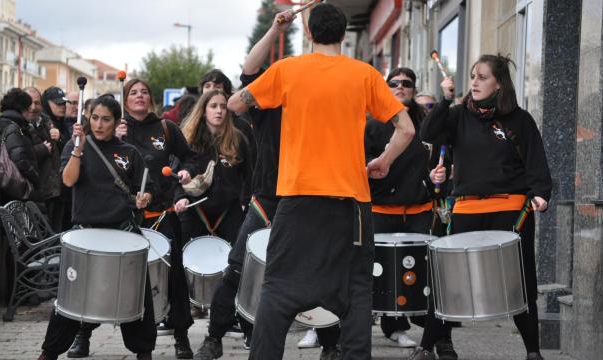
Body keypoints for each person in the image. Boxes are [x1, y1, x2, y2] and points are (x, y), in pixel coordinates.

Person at [228, 4, 415, 359]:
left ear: (310, 34)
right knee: (356, 294)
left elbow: (238, 102)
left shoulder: (287, 71)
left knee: (278, 291)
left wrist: (275, 34)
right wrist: (383, 162)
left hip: (298, 200)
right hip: (351, 204)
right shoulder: (365, 75)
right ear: (344, 35)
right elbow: (406, 129)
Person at [192, 16, 340, 360]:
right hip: (268, 200)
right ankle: (214, 339)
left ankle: (331, 345)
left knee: (315, 271)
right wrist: (275, 30)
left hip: (309, 199)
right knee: (237, 268)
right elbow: (248, 68)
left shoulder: (317, 104)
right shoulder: (267, 106)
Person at [413, 54, 552, 360]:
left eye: (482, 77)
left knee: (521, 279)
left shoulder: (519, 119)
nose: (474, 81)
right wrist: (445, 100)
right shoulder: (458, 115)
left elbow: (536, 162)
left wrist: (541, 193)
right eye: (473, 76)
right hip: (466, 208)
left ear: (499, 84)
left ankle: (533, 352)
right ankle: (426, 346)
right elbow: (427, 133)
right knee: (448, 280)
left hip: (512, 210)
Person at [66, 79, 198, 360]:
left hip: (159, 214)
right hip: (120, 219)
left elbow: (189, 158)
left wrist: (186, 173)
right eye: (133, 92)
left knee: (172, 277)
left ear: (150, 99)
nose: (139, 96)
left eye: (144, 92)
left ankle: (181, 336)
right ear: (124, 102)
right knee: (100, 275)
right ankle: (83, 333)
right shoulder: (115, 131)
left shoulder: (166, 128)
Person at [37, 94, 156, 360]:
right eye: (95, 118)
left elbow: (145, 190)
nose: (100, 124)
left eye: (106, 119)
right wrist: (78, 148)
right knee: (70, 296)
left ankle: (144, 351)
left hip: (122, 231)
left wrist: (144, 198)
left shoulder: (129, 152)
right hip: (86, 232)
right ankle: (50, 351)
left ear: (116, 122)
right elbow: (68, 181)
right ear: (88, 119)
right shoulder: (76, 145)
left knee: (138, 292)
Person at [364, 68, 458, 359]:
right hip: (381, 208)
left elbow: (440, 159)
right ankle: (390, 327)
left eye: (407, 84)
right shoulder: (372, 123)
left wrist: (437, 176)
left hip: (419, 209)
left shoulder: (423, 122)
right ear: (386, 87)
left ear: (414, 89)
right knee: (379, 275)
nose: (400, 87)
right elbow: (362, 163)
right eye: (394, 83)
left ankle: (440, 338)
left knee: (426, 277)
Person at [178, 89, 252, 247]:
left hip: (229, 212)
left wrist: (245, 202)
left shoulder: (238, 139)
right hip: (195, 210)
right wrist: (179, 198)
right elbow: (176, 174)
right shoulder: (187, 139)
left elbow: (250, 175)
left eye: (223, 107)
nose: (219, 110)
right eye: (213, 106)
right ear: (203, 111)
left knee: (230, 262)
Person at [0, 88, 42, 204]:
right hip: (19, 192)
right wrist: (35, 177)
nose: (31, 110)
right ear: (21, 108)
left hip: (12, 191)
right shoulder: (13, 128)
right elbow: (20, 160)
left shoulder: (7, 126)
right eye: (28, 107)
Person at [41, 86, 74, 232]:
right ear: (47, 103)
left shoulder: (63, 123)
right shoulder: (44, 123)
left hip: (64, 189)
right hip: (50, 192)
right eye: (58, 103)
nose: (62, 106)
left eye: (63, 103)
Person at [24, 87, 62, 208]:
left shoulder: (46, 123)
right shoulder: (15, 126)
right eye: (29, 102)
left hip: (54, 193)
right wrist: (42, 149)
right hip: (32, 196)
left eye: (37, 103)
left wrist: (59, 136)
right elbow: (17, 155)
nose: (33, 107)